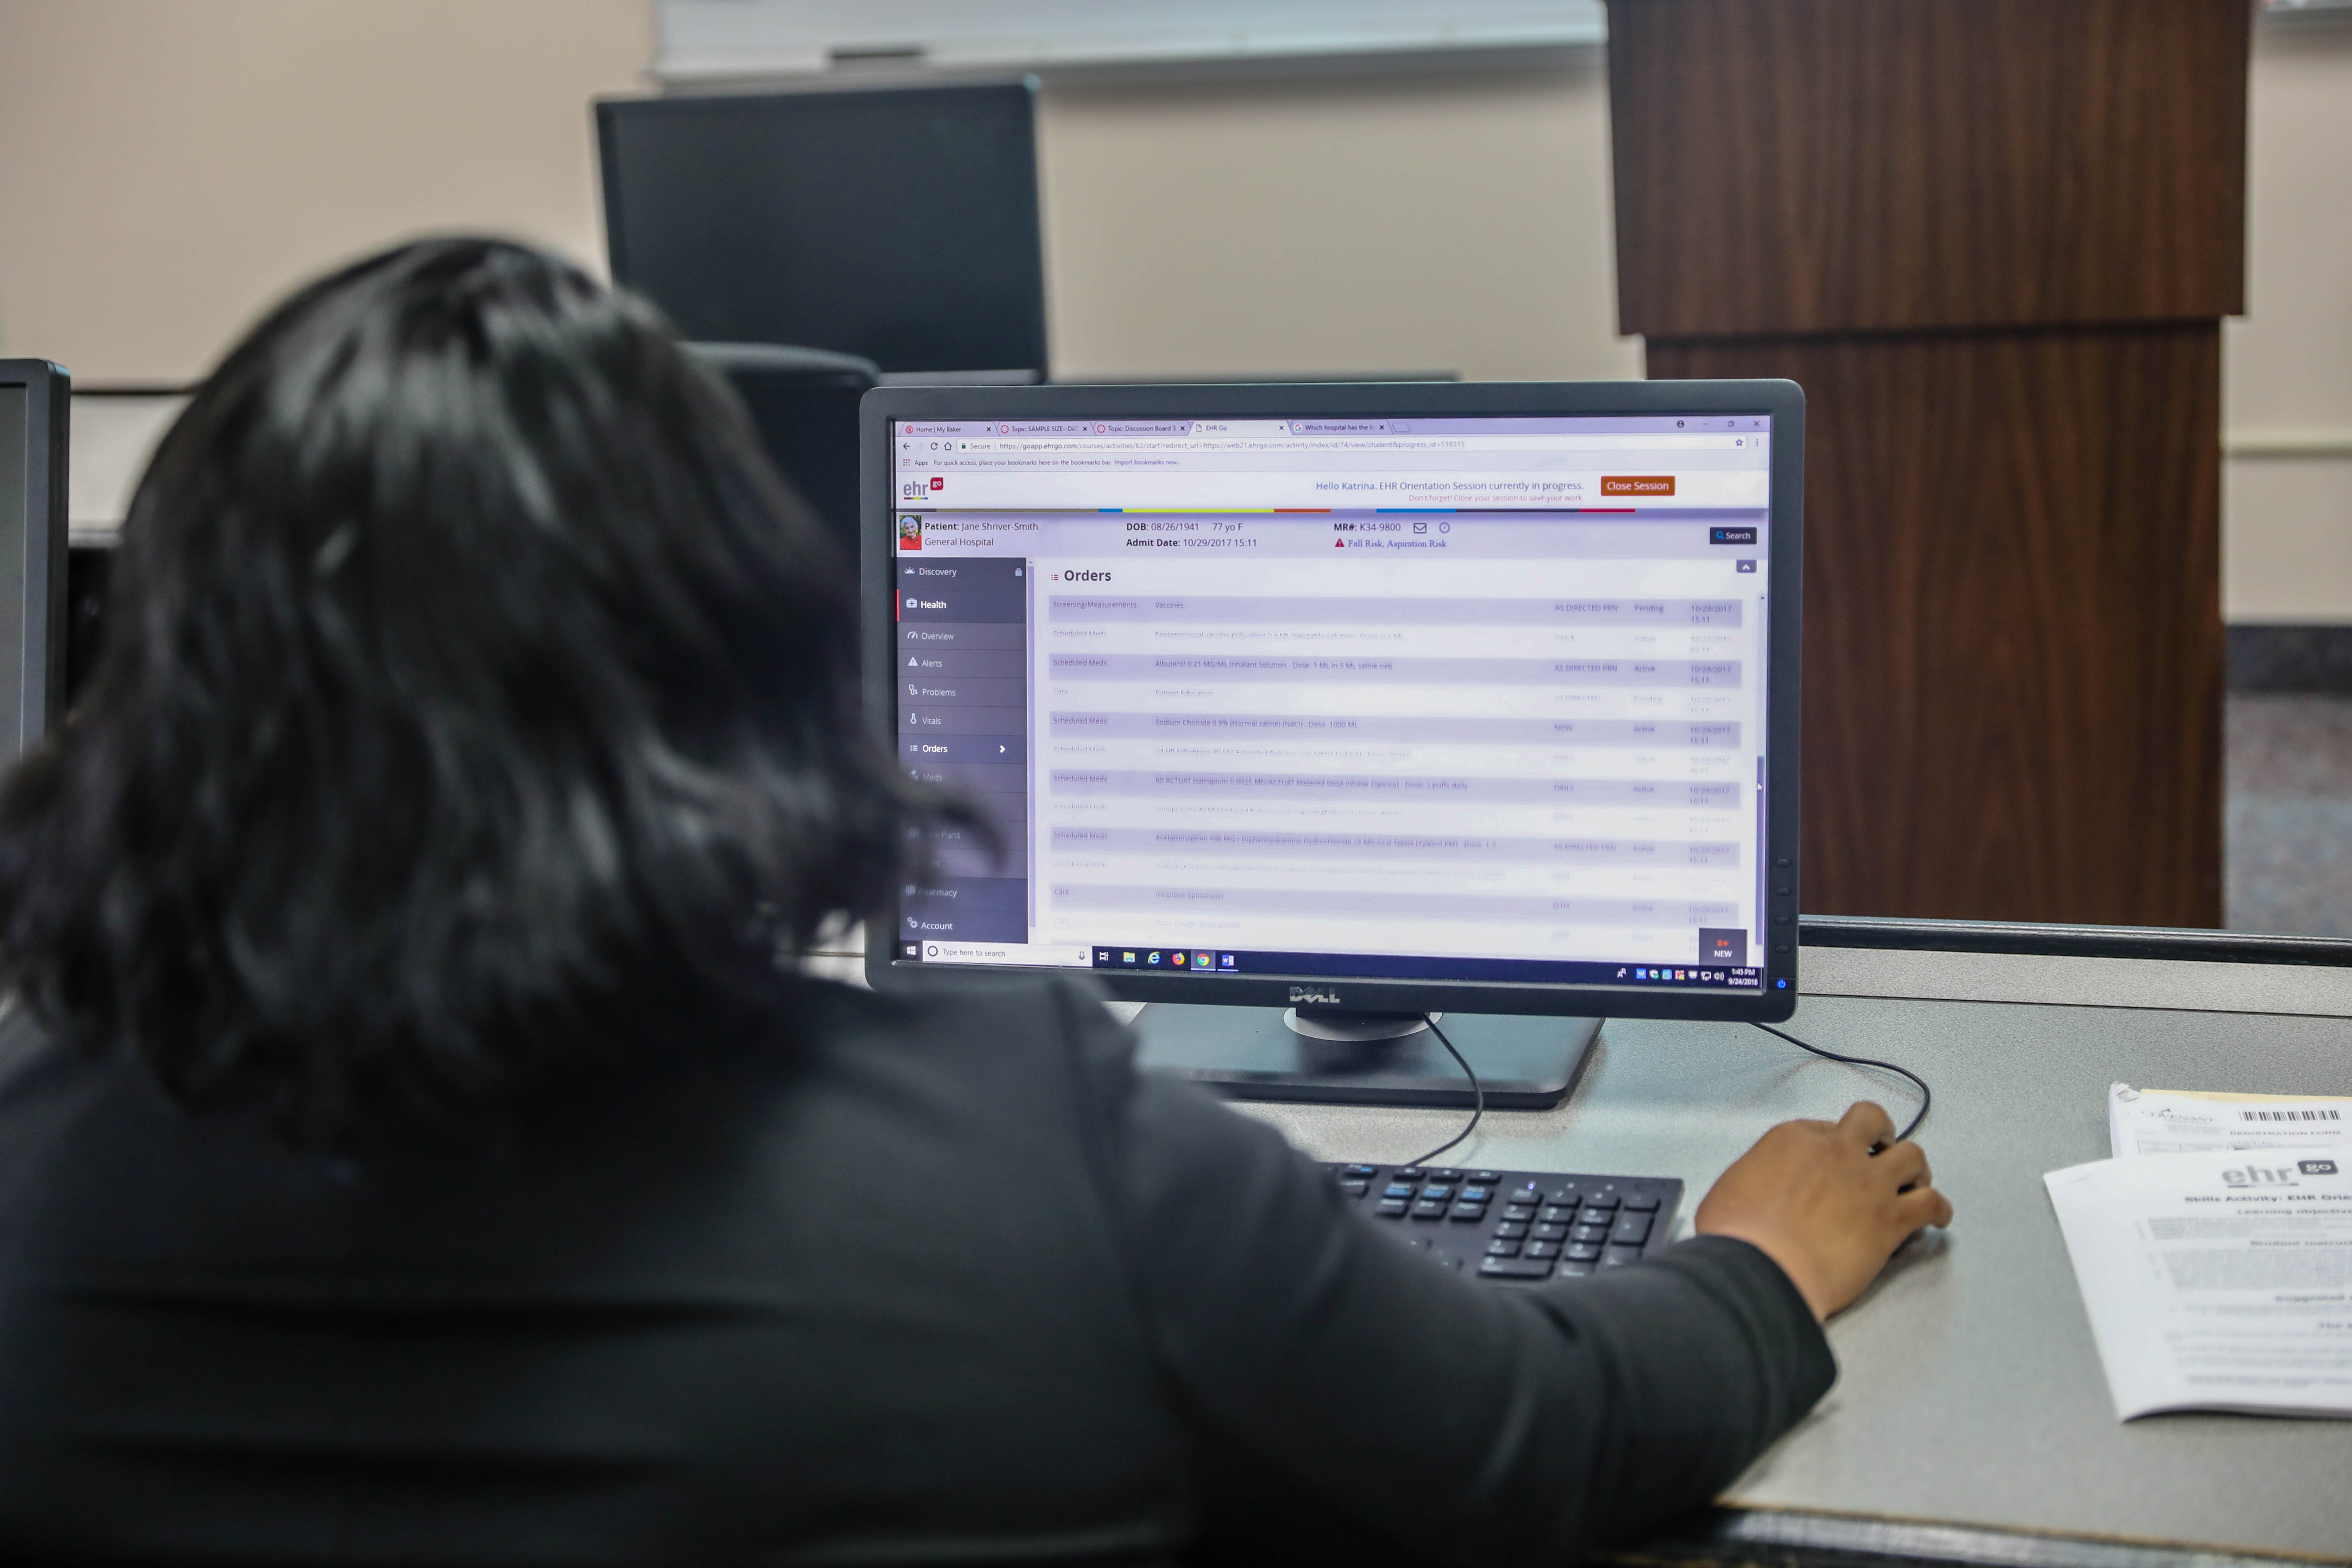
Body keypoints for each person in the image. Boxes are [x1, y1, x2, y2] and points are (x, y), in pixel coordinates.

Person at [0, 239, 1951, 1566]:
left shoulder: (31, 1169)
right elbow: (1536, 1444)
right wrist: (1759, 1263)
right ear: (741, 672)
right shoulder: (1031, 1148)